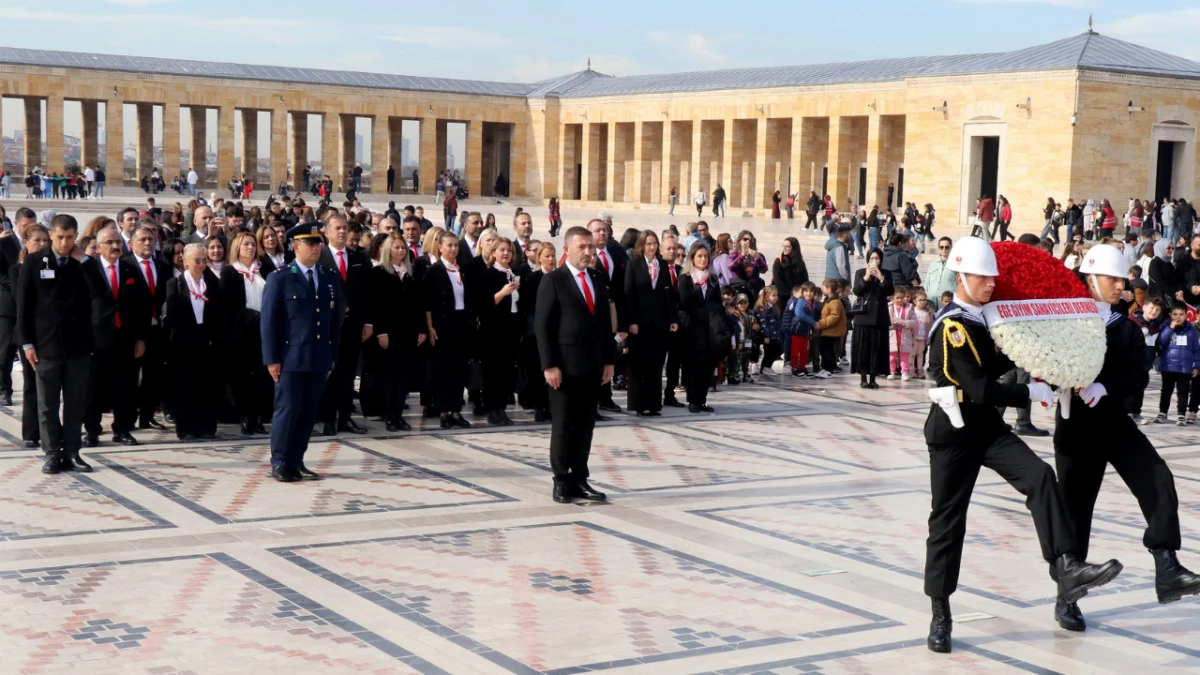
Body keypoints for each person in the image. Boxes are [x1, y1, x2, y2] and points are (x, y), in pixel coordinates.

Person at [922, 236, 1123, 654]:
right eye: (981, 277)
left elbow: (996, 361)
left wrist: (1042, 356)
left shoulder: (981, 321)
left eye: (993, 277)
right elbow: (978, 387)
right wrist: (1027, 394)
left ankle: (1066, 565)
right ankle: (940, 613)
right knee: (947, 522)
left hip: (986, 431)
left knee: (1040, 477)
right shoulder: (953, 326)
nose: (990, 284)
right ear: (961, 276)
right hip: (954, 434)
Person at [1050, 245, 1200, 632]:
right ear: (1091, 279)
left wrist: (1106, 387)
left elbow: (1137, 374)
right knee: (1076, 510)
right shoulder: (1066, 319)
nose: (1122, 286)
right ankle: (1067, 595)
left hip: (1114, 422)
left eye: (1123, 280)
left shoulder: (1126, 327)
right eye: (1113, 279)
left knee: (1158, 477)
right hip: (1077, 428)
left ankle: (1166, 564)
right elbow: (1047, 364)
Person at [535, 226, 614, 503]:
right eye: (582, 247)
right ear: (568, 248)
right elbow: (542, 326)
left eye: (591, 247)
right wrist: (549, 365)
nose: (588, 252)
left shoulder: (596, 277)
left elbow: (604, 324)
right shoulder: (554, 280)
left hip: (592, 366)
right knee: (564, 425)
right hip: (564, 368)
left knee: (585, 425)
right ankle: (561, 480)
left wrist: (608, 360)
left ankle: (580, 478)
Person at [261, 224, 343, 482]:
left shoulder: (329, 276)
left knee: (308, 412)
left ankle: (297, 460)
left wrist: (332, 355)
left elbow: (335, 320)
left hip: (319, 358)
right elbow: (269, 322)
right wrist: (272, 358)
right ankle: (280, 462)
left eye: (318, 242)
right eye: (310, 243)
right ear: (296, 246)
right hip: (290, 358)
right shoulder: (281, 277)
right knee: (288, 410)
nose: (316, 247)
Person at [17, 215, 93, 474]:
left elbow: (101, 294)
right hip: (45, 344)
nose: (64, 242)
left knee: (74, 401)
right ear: (51, 234)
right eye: (60, 236)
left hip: (77, 346)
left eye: (70, 237)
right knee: (47, 403)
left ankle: (72, 451)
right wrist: (26, 343)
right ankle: (52, 453)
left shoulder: (83, 263)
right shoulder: (34, 261)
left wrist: (83, 260)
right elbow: (24, 306)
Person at [81, 228, 150, 448]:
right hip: (95, 339)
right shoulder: (87, 269)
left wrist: (140, 338)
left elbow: (143, 306)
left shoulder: (131, 269)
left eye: (118, 241)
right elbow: (79, 306)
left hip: (125, 338)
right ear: (98, 246)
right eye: (109, 242)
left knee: (125, 386)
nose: (115, 246)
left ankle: (122, 429)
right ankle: (92, 430)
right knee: (93, 388)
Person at [316, 214, 371, 436]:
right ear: (326, 232)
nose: (342, 231)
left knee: (348, 373)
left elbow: (367, 293)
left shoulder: (358, 257)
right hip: (328, 325)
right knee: (330, 371)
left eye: (345, 228)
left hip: (352, 324)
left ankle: (346, 417)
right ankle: (328, 418)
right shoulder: (320, 257)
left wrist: (368, 322)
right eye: (337, 228)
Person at [163, 243, 222, 441]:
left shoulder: (211, 281)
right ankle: (186, 428)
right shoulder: (176, 283)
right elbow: (172, 314)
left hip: (207, 339)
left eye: (204, 260)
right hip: (183, 341)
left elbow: (217, 310)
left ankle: (206, 427)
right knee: (184, 385)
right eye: (197, 260)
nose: (201, 264)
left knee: (207, 385)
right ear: (185, 261)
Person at [365, 234, 423, 432]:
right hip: (389, 332)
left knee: (403, 376)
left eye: (403, 248)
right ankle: (389, 415)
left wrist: (421, 329)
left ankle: (399, 415)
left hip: (407, 332)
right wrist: (381, 332)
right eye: (396, 247)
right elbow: (376, 305)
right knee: (389, 376)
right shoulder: (378, 273)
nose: (400, 251)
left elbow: (417, 305)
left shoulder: (410, 273)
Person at [219, 231, 273, 436]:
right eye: (245, 245)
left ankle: (259, 417)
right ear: (237, 248)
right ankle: (245, 416)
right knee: (240, 377)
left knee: (262, 376)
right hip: (240, 331)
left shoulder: (265, 269)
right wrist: (252, 316)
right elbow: (228, 305)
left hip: (264, 330)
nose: (250, 248)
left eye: (252, 244)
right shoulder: (230, 272)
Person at [625, 230, 677, 417]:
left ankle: (654, 404)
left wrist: (672, 319)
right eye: (648, 244)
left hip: (659, 323)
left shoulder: (662, 265)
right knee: (639, 364)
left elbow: (668, 293)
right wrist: (631, 321)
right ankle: (639, 404)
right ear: (641, 245)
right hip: (639, 323)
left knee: (656, 364)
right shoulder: (634, 264)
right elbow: (629, 294)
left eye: (654, 243)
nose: (652, 247)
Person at [424, 230, 473, 429]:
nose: (453, 249)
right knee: (444, 369)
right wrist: (429, 326)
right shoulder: (434, 271)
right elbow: (426, 302)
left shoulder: (462, 269)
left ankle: (455, 410)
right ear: (440, 247)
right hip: (443, 324)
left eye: (456, 245)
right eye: (449, 245)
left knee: (460, 368)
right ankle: (444, 411)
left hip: (461, 322)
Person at [475, 237, 523, 426]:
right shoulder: (488, 274)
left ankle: (502, 409)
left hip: (511, 329)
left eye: (509, 251)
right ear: (493, 253)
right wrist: (503, 292)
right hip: (493, 331)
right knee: (493, 373)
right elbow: (483, 305)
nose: (506, 254)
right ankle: (492, 410)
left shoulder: (514, 273)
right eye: (502, 250)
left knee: (506, 373)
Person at [678, 242, 727, 413]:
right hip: (693, 327)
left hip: (710, 328)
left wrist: (712, 314)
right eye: (699, 256)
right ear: (692, 258)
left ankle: (702, 399)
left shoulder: (713, 279)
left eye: (705, 255)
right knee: (693, 365)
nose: (703, 259)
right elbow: (685, 302)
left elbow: (718, 303)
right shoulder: (685, 278)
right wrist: (704, 314)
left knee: (708, 365)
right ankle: (692, 399)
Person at [851, 248, 894, 388]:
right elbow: (857, 290)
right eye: (872, 258)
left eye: (877, 258)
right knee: (863, 348)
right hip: (863, 317)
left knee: (876, 348)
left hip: (879, 317)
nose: (874, 261)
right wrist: (867, 277)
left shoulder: (886, 273)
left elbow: (890, 291)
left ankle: (873, 377)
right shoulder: (860, 273)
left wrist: (881, 277)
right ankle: (863, 377)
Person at [0, 208, 30, 407]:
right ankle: (3, 390)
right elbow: (1, 275)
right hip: (9, 305)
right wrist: (21, 288)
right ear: (17, 224)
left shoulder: (39, 242)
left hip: (31, 307)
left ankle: (32, 390)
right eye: (26, 226)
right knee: (5, 352)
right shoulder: (5, 243)